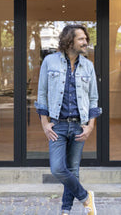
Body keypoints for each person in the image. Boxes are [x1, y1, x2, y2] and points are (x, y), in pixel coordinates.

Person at [35, 24, 102, 215]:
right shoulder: (49, 61)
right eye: (81, 39)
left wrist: (90, 126)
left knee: (73, 169)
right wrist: (45, 123)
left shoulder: (88, 65)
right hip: (58, 125)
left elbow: (93, 99)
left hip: (79, 125)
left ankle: (66, 210)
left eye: (85, 39)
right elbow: (42, 94)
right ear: (69, 40)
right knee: (58, 169)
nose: (85, 42)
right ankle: (85, 196)